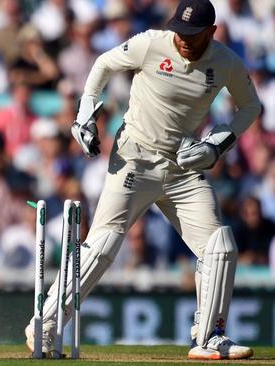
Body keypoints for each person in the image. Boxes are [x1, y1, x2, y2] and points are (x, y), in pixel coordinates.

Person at [25, 0, 262, 360]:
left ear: (212, 33)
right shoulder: (152, 43)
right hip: (135, 159)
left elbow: (250, 107)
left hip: (183, 168)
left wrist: (216, 144)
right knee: (103, 244)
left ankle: (208, 336)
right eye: (179, 32)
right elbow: (104, 63)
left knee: (220, 247)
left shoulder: (225, 61)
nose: (182, 40)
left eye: (192, 35)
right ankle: (44, 326)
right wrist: (85, 114)